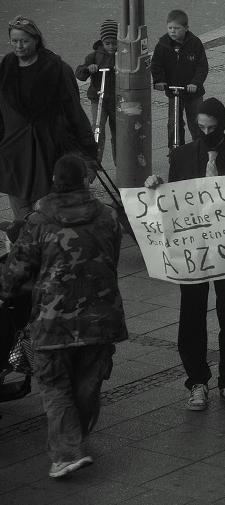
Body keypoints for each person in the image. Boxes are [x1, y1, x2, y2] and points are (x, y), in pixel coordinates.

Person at [0, 154, 127, 478]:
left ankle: (69, 451)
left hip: (52, 321)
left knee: (55, 386)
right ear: (85, 181)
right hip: (101, 318)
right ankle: (77, 442)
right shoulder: (108, 216)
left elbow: (15, 271)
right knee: (87, 386)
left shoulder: (39, 220)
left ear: (55, 182)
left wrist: (8, 289)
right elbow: (111, 258)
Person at [144, 97, 225, 411]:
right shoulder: (182, 156)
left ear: (221, 124)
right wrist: (156, 187)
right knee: (191, 314)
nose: (206, 132)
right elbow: (172, 200)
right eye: (201, 127)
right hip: (193, 248)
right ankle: (197, 381)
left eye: (212, 127)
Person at [1, 16, 98, 220]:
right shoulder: (6, 67)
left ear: (37, 40)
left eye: (24, 41)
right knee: (22, 219)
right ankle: (26, 245)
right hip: (16, 153)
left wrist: (89, 154)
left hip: (49, 151)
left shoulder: (57, 68)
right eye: (14, 41)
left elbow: (74, 112)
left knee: (50, 216)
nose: (18, 46)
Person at [151, 9, 209, 151]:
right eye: (170, 28)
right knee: (174, 123)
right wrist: (159, 80)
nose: (173, 31)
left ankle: (200, 148)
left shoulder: (194, 43)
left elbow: (202, 66)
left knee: (196, 122)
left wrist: (195, 83)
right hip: (174, 91)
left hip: (193, 93)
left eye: (177, 28)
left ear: (186, 28)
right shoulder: (163, 45)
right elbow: (156, 64)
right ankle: (175, 150)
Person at [76, 20, 118, 166]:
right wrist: (89, 69)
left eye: (114, 43)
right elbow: (80, 73)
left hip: (117, 99)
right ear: (102, 42)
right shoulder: (93, 56)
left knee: (118, 132)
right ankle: (95, 161)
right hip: (99, 98)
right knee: (98, 128)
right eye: (108, 43)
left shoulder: (122, 55)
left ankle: (120, 162)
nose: (111, 46)